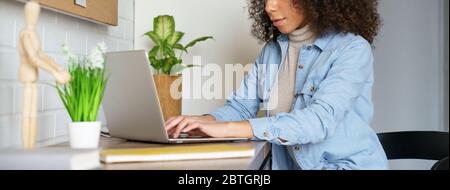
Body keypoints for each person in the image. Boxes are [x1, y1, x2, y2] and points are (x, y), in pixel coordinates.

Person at [165, 0, 388, 170]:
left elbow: (318, 121)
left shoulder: (352, 49)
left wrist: (227, 129)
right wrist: (200, 122)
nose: (269, 7)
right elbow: (241, 107)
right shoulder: (272, 51)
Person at [18, 1, 71, 149]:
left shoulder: (33, 33)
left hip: (33, 77)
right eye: (32, 13)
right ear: (27, 14)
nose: (34, 16)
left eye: (36, 13)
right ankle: (26, 149)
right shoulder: (25, 34)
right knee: (27, 115)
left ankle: (31, 149)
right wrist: (55, 73)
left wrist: (58, 67)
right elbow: (33, 58)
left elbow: (41, 54)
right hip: (27, 77)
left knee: (33, 115)